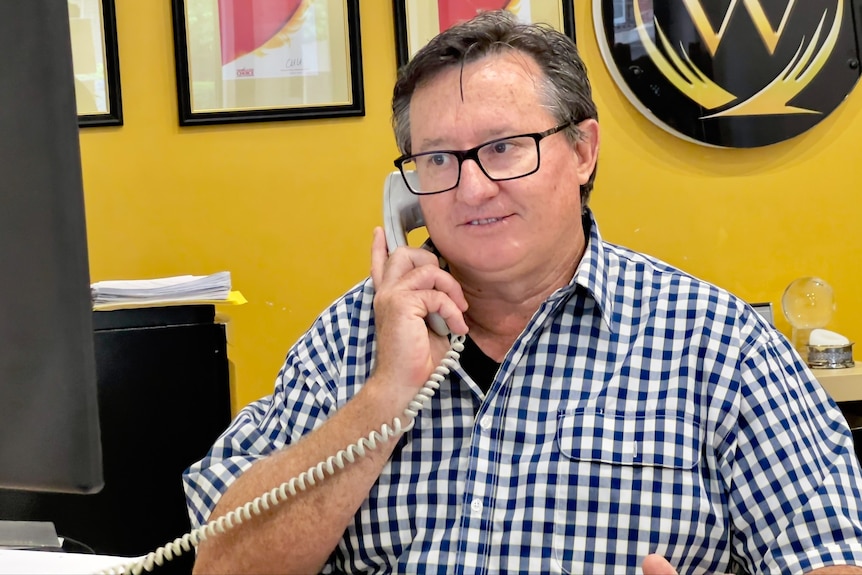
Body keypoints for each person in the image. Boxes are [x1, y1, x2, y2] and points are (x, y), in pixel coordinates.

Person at [184, 10, 862, 574]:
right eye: (439, 159)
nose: (472, 188)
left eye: (505, 147)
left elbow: (830, 556)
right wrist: (386, 394)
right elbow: (219, 563)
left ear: (583, 150)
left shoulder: (718, 344)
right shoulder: (348, 339)